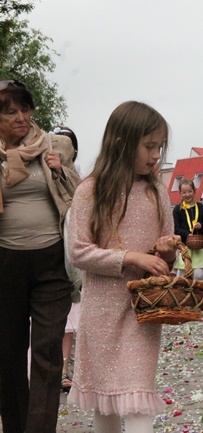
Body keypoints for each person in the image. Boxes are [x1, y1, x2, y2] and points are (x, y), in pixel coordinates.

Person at [66, 101, 177, 433]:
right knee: (106, 401)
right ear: (121, 142)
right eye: (149, 146)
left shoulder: (157, 192)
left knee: (138, 395)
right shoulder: (90, 190)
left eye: (159, 146)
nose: (156, 154)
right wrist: (131, 257)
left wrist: (166, 251)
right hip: (101, 310)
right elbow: (78, 252)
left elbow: (166, 247)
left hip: (143, 311)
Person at [0, 79, 80, 433]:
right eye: (9, 111)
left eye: (25, 108)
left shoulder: (54, 144)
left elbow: (83, 198)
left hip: (51, 262)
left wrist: (60, 171)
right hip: (5, 265)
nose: (20, 117)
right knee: (8, 355)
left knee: (48, 354)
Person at [53, 126, 82, 394]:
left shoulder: (78, 179)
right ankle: (61, 370)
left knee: (75, 322)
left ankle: (72, 369)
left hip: (73, 259)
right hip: (50, 253)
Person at [173, 179, 203, 279]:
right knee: (184, 274)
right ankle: (183, 294)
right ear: (180, 193)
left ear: (194, 191)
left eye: (189, 191)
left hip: (199, 247)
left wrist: (201, 226)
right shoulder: (178, 209)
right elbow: (176, 229)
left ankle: (197, 293)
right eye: (184, 192)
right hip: (184, 247)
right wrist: (186, 234)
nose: (187, 194)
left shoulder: (201, 208)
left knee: (199, 274)